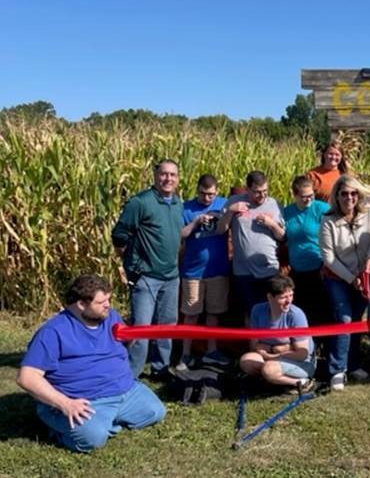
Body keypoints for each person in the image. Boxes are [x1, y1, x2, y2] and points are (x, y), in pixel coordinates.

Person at [17, 274, 165, 453]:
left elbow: (124, 342)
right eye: (101, 302)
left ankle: (105, 420)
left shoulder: (110, 317)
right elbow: (27, 377)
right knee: (93, 440)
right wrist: (65, 404)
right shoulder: (53, 332)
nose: (107, 305)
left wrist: (131, 338)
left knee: (156, 412)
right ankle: (58, 421)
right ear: (81, 304)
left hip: (126, 391)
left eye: (108, 300)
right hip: (86, 400)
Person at [111, 159, 183, 378]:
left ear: (177, 179)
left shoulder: (177, 202)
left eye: (172, 175)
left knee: (167, 326)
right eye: (164, 174)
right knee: (141, 328)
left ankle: (160, 368)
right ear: (155, 176)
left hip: (171, 276)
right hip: (146, 277)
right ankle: (131, 374)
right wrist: (133, 265)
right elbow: (119, 235)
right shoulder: (140, 202)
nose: (168, 179)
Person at [319, 175, 370, 391]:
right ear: (337, 196)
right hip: (338, 277)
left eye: (353, 193)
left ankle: (353, 364)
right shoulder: (328, 220)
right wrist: (350, 278)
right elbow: (328, 257)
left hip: (363, 276)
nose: (349, 197)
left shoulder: (368, 214)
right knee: (344, 320)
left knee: (356, 320)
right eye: (344, 193)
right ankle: (337, 370)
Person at [178, 174, 231, 370]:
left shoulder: (224, 204)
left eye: (211, 194)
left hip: (218, 269)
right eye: (203, 194)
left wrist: (222, 217)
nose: (207, 198)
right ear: (197, 190)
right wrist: (196, 223)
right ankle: (185, 354)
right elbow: (180, 234)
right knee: (191, 314)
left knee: (214, 313)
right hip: (193, 271)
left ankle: (212, 351)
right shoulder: (186, 208)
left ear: (217, 191)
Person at [216, 170, 285, 317]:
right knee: (250, 313)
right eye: (257, 192)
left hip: (269, 269)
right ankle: (253, 341)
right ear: (247, 189)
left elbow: (282, 236)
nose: (262, 196)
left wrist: (271, 224)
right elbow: (221, 230)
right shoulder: (234, 202)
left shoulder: (274, 204)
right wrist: (230, 212)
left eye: (265, 191)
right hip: (243, 271)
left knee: (271, 311)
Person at [240, 274, 316, 392]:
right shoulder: (257, 311)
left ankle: (302, 382)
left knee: (269, 369)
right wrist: (278, 349)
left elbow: (302, 354)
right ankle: (274, 379)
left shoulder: (296, 315)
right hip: (273, 357)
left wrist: (273, 355)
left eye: (291, 295)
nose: (288, 301)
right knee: (246, 361)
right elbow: (254, 345)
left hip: (301, 363)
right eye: (283, 297)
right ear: (270, 297)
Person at [282, 176, 331, 328]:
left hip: (319, 268)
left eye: (311, 195)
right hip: (297, 270)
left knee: (321, 311)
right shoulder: (287, 212)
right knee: (302, 312)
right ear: (294, 195)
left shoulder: (321, 209)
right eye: (304, 197)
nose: (308, 199)